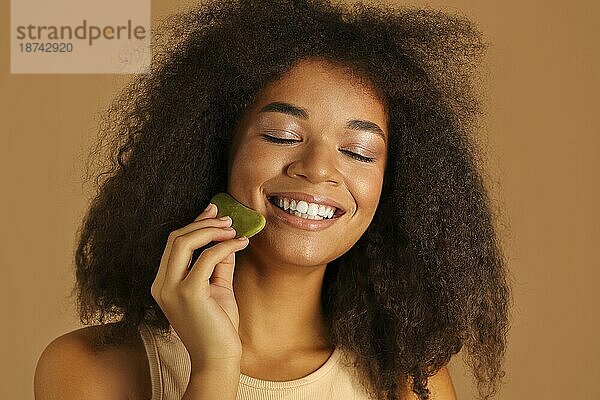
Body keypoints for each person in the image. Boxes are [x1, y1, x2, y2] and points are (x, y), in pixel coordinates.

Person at [34, 0, 512, 399]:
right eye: (282, 135)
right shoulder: (90, 370)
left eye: (359, 151)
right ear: (216, 149)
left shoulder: (411, 382)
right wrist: (215, 366)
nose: (320, 168)